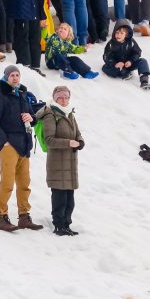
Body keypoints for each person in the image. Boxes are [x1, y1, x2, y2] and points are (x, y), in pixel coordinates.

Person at [0, 64, 43, 233]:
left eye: (17, 75)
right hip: (9, 145)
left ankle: (24, 216)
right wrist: (4, 141)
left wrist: (30, 117)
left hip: (24, 145)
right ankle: (2, 217)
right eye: (12, 75)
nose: (15, 78)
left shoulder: (22, 95)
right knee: (7, 182)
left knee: (25, 183)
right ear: (6, 77)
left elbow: (32, 118)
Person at [36, 85, 85, 236]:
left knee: (70, 199)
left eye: (66, 97)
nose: (63, 100)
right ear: (55, 98)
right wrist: (68, 143)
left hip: (70, 162)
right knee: (60, 198)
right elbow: (49, 140)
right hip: (57, 163)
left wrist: (80, 141)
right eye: (60, 98)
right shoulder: (51, 114)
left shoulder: (70, 113)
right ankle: (59, 225)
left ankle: (67, 224)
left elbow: (77, 133)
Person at [101, 18, 150, 90]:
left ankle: (144, 80)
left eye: (122, 33)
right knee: (105, 68)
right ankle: (124, 73)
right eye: (117, 32)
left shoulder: (131, 42)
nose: (118, 35)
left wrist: (131, 61)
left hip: (129, 64)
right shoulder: (111, 44)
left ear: (126, 34)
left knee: (142, 61)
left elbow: (137, 52)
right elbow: (106, 56)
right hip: (118, 65)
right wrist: (115, 63)